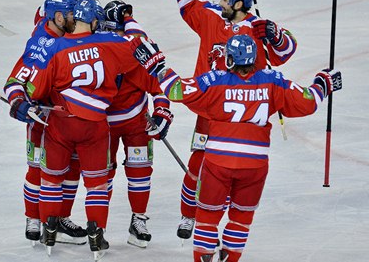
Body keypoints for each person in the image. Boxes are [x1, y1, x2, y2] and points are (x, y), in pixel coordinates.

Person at [133, 34, 342, 262]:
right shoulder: (273, 80)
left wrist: (157, 66)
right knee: (241, 218)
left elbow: (177, 90)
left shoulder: (215, 80)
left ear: (231, 60)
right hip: (255, 165)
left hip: (219, 163)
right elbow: (307, 101)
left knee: (207, 217)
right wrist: (324, 83)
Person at [152, 0, 298, 240]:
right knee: (198, 162)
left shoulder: (257, 28)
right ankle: (188, 214)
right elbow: (189, 4)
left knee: (236, 167)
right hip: (210, 106)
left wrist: (276, 35)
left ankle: (224, 215)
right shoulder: (211, 17)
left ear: (241, 3)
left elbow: (287, 51)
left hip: (242, 108)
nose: (221, 3)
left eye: (227, 0)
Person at [21, 0, 148, 258]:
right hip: (95, 127)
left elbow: (34, 87)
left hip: (58, 124)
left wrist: (25, 100)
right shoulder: (108, 44)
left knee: (50, 180)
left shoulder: (54, 46)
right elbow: (142, 49)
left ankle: (48, 230)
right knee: (97, 185)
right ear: (93, 20)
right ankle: (96, 235)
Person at [3, 0, 87, 245]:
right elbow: (15, 81)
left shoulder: (67, 31)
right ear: (59, 17)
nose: (77, 18)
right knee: (37, 168)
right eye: (72, 14)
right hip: (43, 118)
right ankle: (33, 217)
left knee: (72, 168)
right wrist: (19, 103)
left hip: (71, 119)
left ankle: (60, 218)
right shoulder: (41, 44)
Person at [103, 0, 173, 248]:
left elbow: (160, 87)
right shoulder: (98, 54)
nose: (115, 37)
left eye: (118, 31)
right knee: (103, 175)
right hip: (104, 126)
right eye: (110, 31)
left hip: (136, 123)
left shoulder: (138, 53)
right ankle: (98, 226)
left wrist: (162, 113)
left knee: (140, 171)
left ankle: (138, 220)